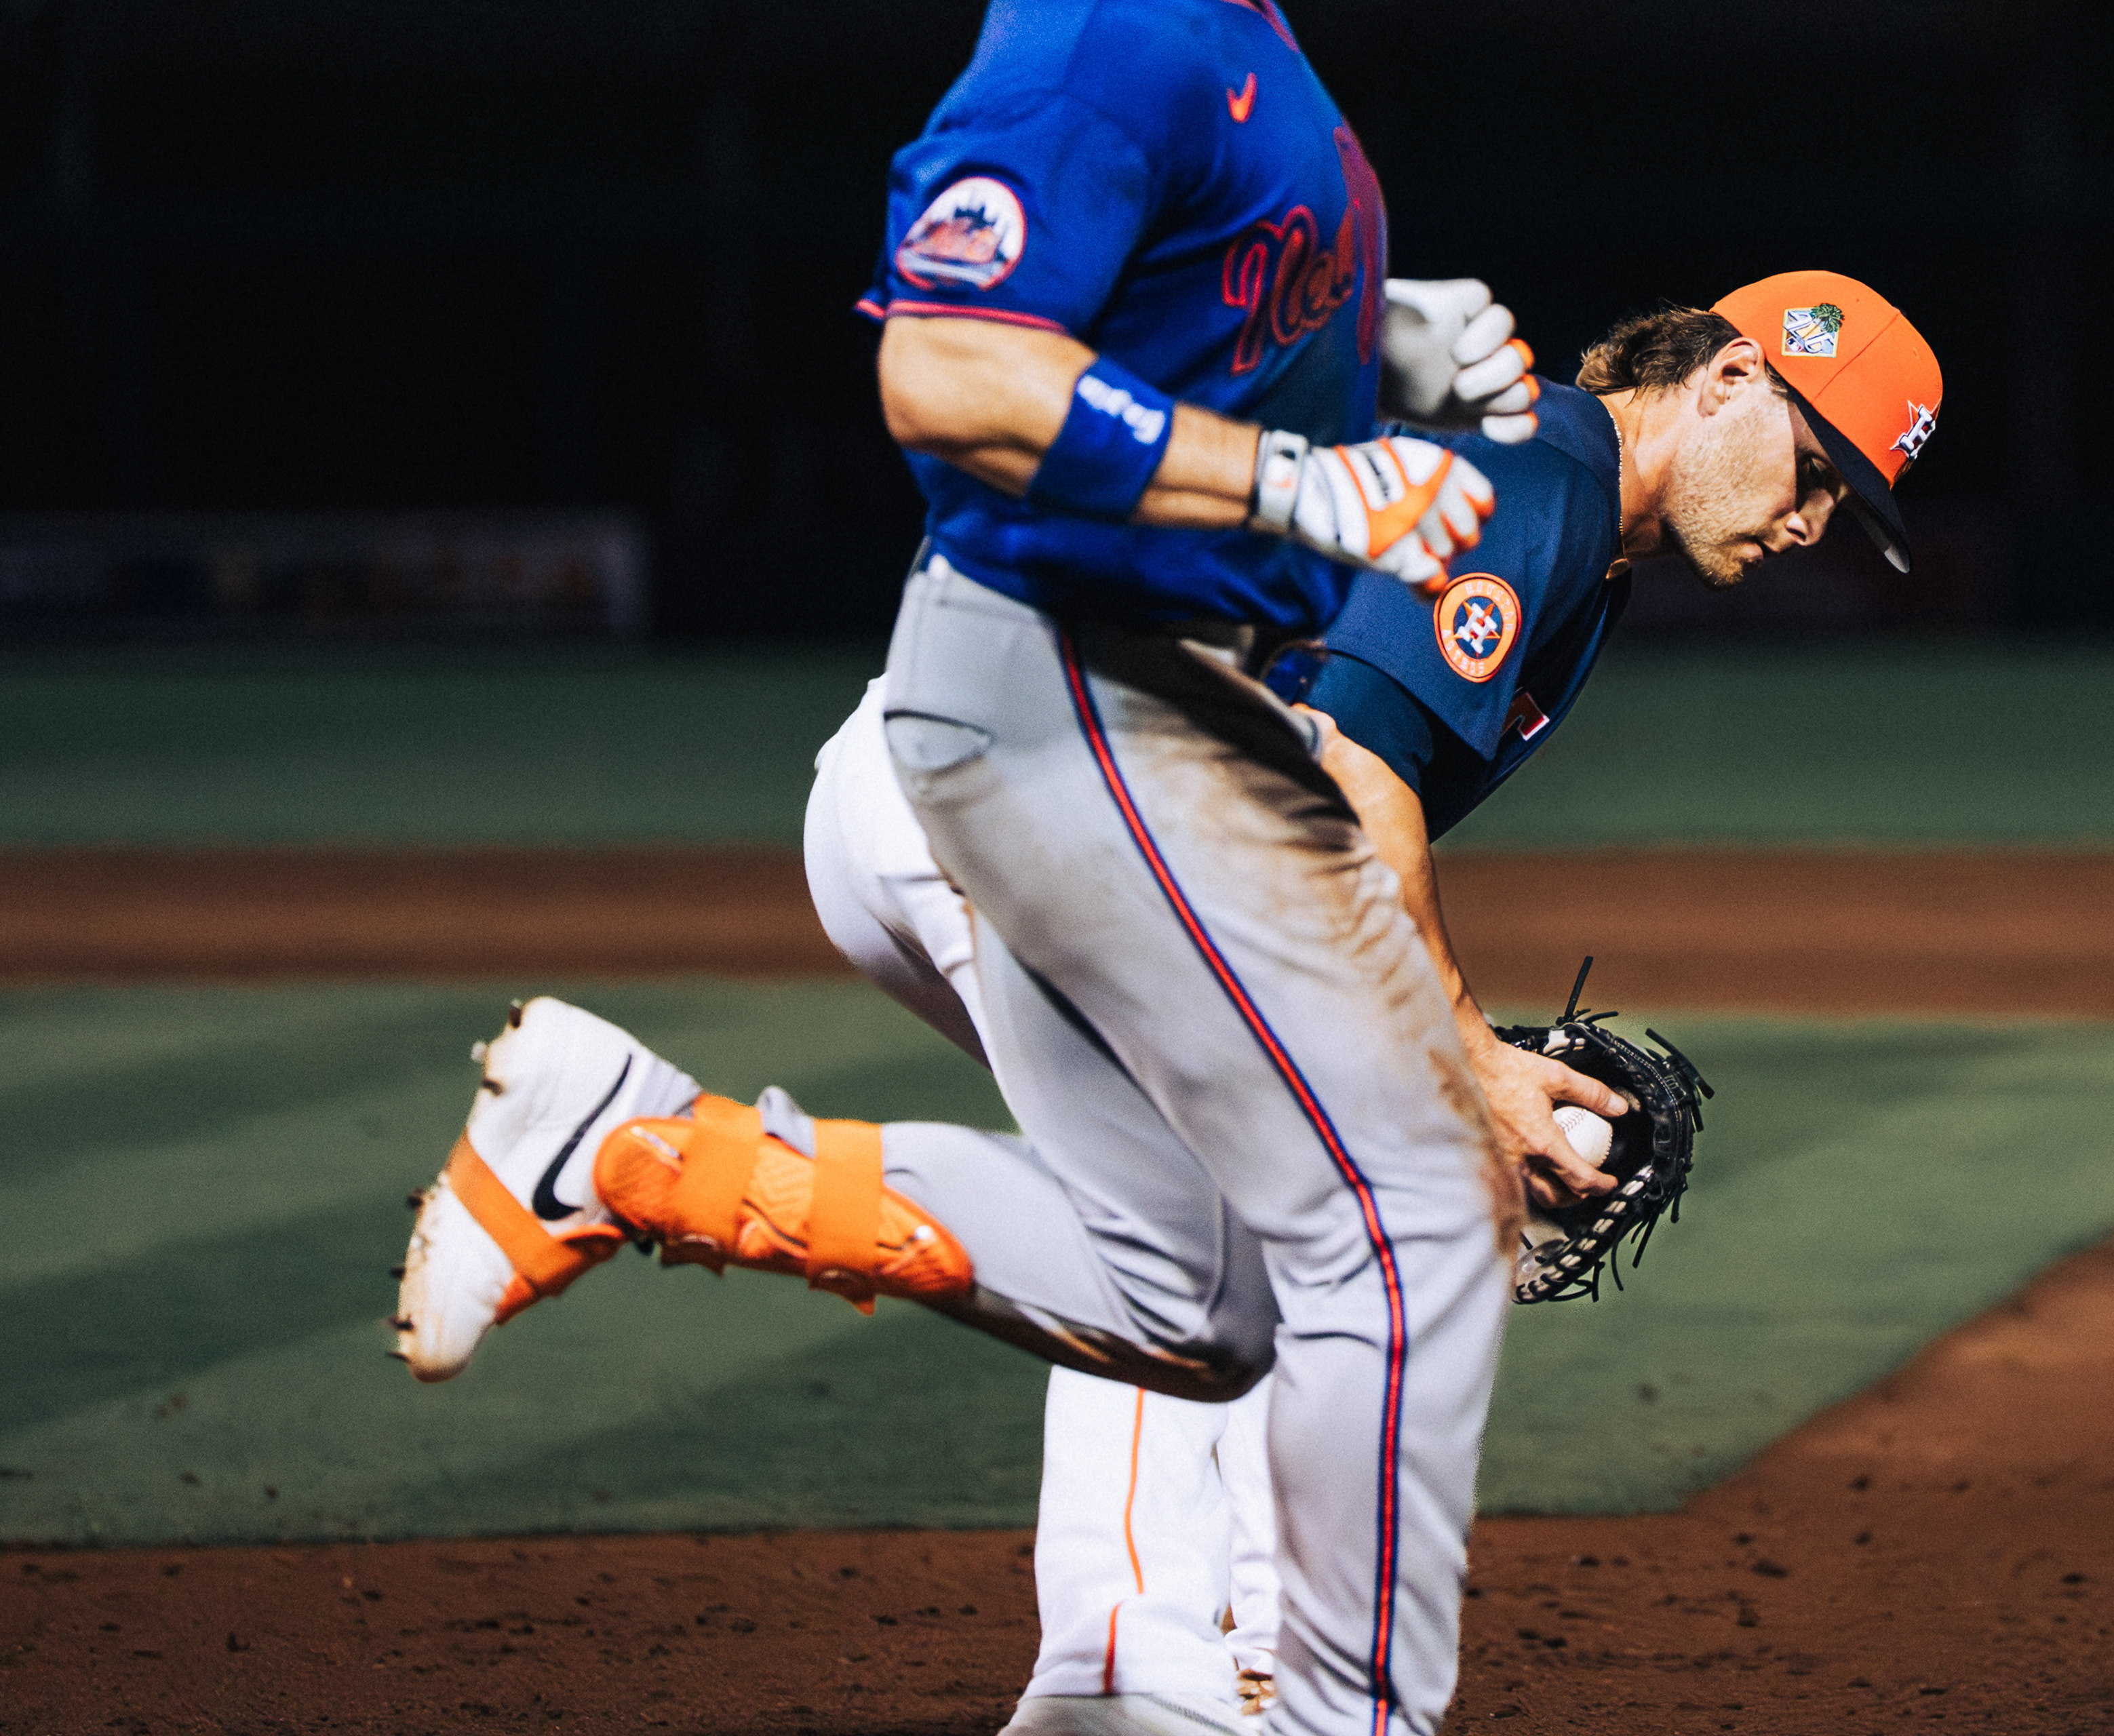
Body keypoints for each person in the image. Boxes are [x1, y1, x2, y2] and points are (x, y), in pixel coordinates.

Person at [392, 249, 1942, 1736]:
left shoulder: (1586, 536)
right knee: (1203, 1208)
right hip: (1013, 787)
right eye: (1822, 473)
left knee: (1264, 1219)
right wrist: (1463, 1057)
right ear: (1735, 376)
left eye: (1851, 508)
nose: (1817, 521)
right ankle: (1123, 1656)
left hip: (1024, 798)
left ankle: (1246, 1656)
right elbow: (1353, 777)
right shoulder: (1541, 471)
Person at [397, 4, 1546, 1735]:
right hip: (1075, 686)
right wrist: (1303, 474)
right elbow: (949, 370)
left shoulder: (1258, 53)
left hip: (1147, 695)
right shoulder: (1101, 34)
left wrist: (1375, 351)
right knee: (1410, 1218)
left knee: (1207, 1300)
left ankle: (632, 1148)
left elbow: (1175, 316)